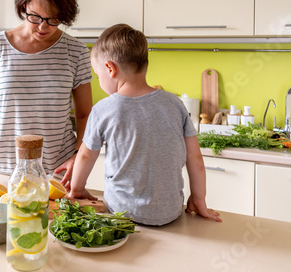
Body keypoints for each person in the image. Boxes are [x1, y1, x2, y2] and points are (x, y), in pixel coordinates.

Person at [68, 24, 222, 226]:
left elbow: (86, 155)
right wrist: (198, 198)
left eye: (98, 76)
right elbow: (195, 158)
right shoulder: (175, 103)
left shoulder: (103, 109)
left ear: (110, 68)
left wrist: (77, 189)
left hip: (121, 214)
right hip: (170, 213)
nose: (100, 81)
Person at [0, 0, 92, 177]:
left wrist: (78, 154)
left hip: (57, 171)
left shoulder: (76, 51)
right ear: (24, 5)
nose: (43, 27)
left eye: (53, 19)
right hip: (3, 168)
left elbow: (84, 113)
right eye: (35, 17)